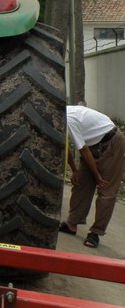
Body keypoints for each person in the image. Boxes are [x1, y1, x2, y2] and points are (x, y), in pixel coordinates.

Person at [59, 105, 125, 248]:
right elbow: (65, 147)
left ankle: (96, 232)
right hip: (91, 144)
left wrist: (97, 175)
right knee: (80, 183)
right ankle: (72, 224)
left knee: (106, 189)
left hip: (111, 142)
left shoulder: (68, 119)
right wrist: (75, 170)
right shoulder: (57, 119)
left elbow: (83, 150)